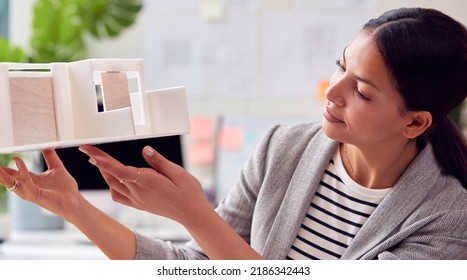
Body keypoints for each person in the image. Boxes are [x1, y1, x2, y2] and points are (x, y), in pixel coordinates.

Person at [1, 7, 466, 260]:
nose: (333, 91)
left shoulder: (449, 217)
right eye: (340, 66)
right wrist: (72, 206)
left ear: (415, 122)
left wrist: (195, 214)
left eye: (362, 91)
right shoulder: (282, 147)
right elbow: (203, 268)